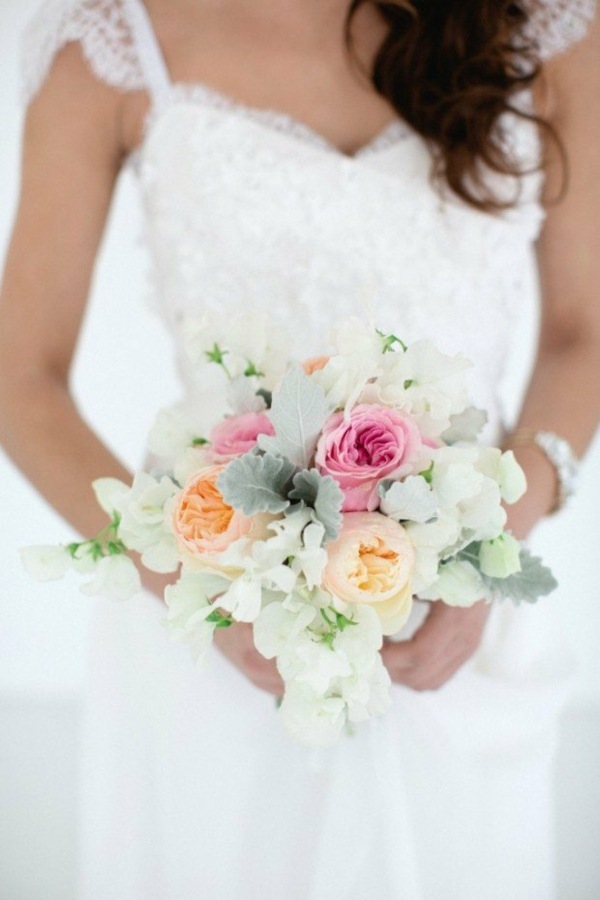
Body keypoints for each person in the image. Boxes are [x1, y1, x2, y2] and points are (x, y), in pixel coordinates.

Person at [0, 0, 598, 897]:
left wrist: (485, 554)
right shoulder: (112, 45)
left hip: (461, 628)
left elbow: (581, 331)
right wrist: (198, 590)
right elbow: (21, 379)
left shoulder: (546, 30)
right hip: (211, 627)